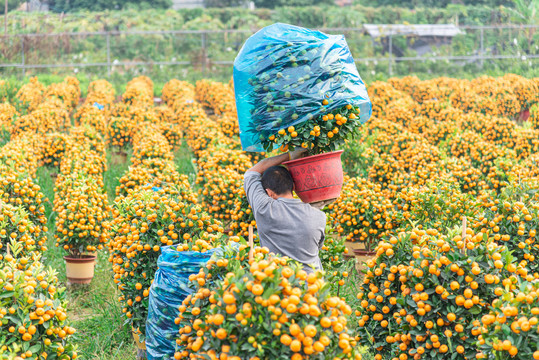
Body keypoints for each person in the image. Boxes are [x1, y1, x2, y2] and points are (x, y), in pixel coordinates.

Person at [243, 150, 326, 273]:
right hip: (314, 285)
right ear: (293, 187)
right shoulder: (319, 216)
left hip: (280, 285)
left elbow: (251, 173)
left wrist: (289, 155)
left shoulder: (264, 209)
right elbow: (317, 246)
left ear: (269, 193)